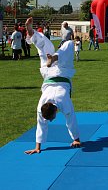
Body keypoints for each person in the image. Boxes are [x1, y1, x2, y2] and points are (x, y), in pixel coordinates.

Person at [24, 17, 81, 154]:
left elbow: (69, 118)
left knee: (67, 46)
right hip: (49, 73)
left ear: (55, 110)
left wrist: (77, 139)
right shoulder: (42, 105)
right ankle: (35, 36)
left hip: (62, 73)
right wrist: (76, 139)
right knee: (51, 48)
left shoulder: (61, 101)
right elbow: (69, 120)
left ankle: (52, 53)